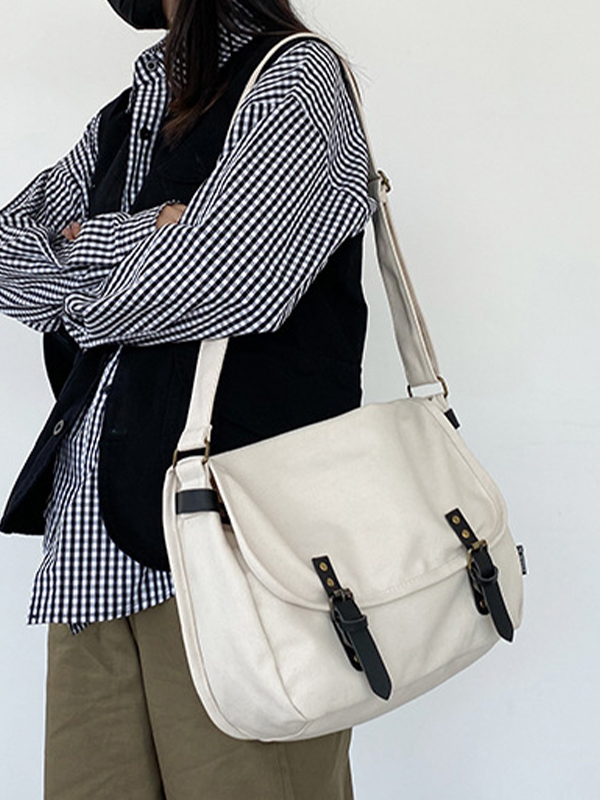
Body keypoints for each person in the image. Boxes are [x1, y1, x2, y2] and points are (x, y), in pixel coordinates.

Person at [0, 0, 377, 797]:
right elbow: (4, 254)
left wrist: (80, 260)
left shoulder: (294, 75)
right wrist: (152, 235)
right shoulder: (128, 110)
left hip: (237, 562)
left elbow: (222, 277)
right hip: (86, 555)